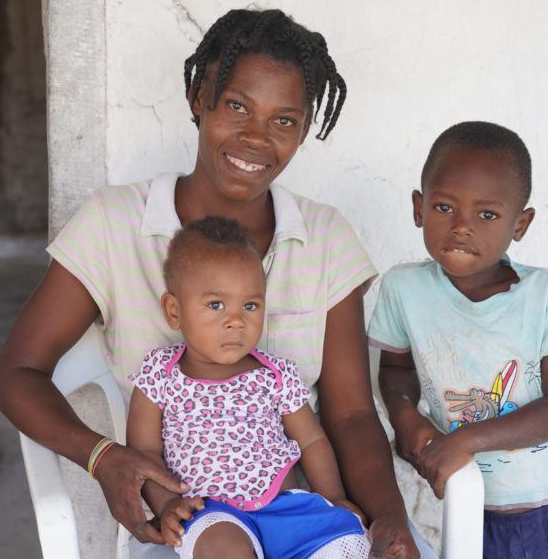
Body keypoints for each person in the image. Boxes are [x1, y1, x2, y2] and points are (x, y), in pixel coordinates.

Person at [0, 9, 428, 558]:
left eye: (284, 121)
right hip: (193, 529)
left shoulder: (324, 237)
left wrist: (387, 518)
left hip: (302, 520)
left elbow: (351, 413)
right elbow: (17, 374)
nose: (256, 138)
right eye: (237, 105)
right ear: (199, 97)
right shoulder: (114, 223)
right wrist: (104, 458)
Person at [369, 121, 548, 558]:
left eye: (487, 214)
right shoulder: (404, 290)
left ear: (521, 223)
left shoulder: (545, 295)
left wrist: (464, 441)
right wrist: (405, 418)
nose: (461, 226)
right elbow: (397, 370)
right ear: (418, 208)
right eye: (443, 208)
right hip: (468, 503)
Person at [126, 216, 370, 559]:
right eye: (216, 305)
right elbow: (144, 455)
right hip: (211, 514)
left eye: (250, 305)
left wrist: (335, 497)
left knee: (346, 538)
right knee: (225, 549)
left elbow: (312, 439)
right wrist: (167, 506)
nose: (236, 319)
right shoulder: (160, 374)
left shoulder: (275, 373)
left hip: (283, 507)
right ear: (174, 311)